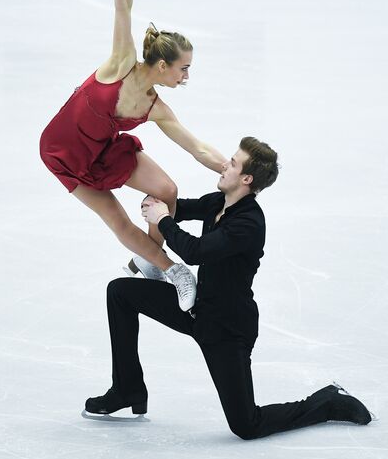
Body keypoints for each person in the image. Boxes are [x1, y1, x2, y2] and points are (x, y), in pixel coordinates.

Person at [84, 136, 372, 439]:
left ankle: (327, 403)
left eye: (232, 164)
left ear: (246, 179)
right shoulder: (219, 202)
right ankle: (127, 388)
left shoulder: (248, 223)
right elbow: (176, 207)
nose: (224, 166)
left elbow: (195, 251)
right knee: (120, 292)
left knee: (247, 425)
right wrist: (155, 200)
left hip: (227, 328)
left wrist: (163, 221)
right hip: (196, 308)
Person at [39, 0, 226, 310]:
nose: (187, 76)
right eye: (183, 68)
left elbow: (197, 148)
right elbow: (123, 8)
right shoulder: (120, 64)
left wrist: (234, 174)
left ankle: (149, 260)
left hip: (106, 151)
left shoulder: (156, 107)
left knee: (167, 191)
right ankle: (174, 269)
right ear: (162, 66)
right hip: (64, 153)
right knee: (118, 221)